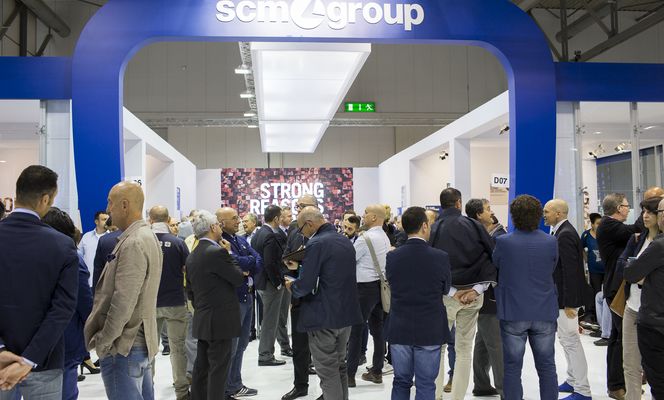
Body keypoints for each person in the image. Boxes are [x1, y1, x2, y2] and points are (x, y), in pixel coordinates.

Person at [0, 165, 78, 399]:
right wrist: (28, 359)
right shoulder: (62, 245)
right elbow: (63, 308)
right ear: (45, 199)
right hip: (45, 361)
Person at [84, 181, 163, 400]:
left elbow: (123, 301)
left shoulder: (133, 242)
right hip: (139, 344)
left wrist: (104, 341)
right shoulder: (146, 236)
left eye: (110, 202)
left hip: (124, 347)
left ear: (125, 205)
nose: (108, 209)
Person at [284, 207, 362, 400]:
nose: (302, 234)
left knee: (327, 370)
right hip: (346, 314)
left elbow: (306, 285)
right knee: (339, 365)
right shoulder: (345, 241)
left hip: (323, 316)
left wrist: (292, 286)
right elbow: (331, 272)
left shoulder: (316, 243)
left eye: (301, 229)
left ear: (309, 223)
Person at [430, 188, 497, 400]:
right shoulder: (475, 226)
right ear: (459, 203)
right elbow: (491, 256)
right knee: (464, 349)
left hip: (445, 296)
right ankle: (458, 397)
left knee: (438, 348)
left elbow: (430, 263)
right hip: (473, 295)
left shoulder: (434, 228)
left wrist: (452, 291)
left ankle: (437, 395)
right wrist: (477, 289)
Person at [493, 194, 559, 400]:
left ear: (513, 216)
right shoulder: (551, 241)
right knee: (547, 365)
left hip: (513, 310)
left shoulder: (503, 242)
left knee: (512, 367)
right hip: (544, 309)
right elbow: (553, 266)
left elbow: (497, 265)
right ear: (539, 215)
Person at [386, 206, 452, 400]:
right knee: (426, 383)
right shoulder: (440, 257)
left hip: (400, 327)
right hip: (430, 328)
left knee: (401, 381)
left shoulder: (392, 256)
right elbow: (446, 289)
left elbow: (391, 283)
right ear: (424, 226)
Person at [186, 210, 245, 400]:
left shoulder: (193, 254)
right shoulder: (218, 252)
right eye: (218, 224)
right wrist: (229, 253)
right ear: (213, 227)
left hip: (203, 318)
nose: (220, 227)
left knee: (202, 368)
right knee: (218, 370)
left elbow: (190, 290)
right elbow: (238, 278)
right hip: (220, 321)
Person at [42, 207, 94, 400]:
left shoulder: (32, 255)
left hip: (37, 341)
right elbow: (84, 302)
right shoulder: (72, 257)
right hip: (66, 338)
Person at [543, 199, 590, 400]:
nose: (544, 215)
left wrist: (570, 303)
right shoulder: (560, 232)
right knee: (565, 339)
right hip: (561, 298)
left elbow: (571, 271)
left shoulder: (565, 235)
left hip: (567, 300)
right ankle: (572, 381)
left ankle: (582, 390)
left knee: (571, 341)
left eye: (547, 211)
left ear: (559, 213)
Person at [597, 193, 640, 400]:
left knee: (617, 338)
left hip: (616, 288)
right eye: (626, 205)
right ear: (618, 208)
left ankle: (617, 385)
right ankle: (618, 384)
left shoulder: (611, 226)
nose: (628, 209)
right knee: (622, 338)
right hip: (616, 290)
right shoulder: (609, 225)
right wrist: (649, 207)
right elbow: (635, 228)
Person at [619, 196, 662, 400]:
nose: (645, 216)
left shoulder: (659, 243)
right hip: (632, 306)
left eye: (651, 212)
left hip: (654, 311)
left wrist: (642, 273)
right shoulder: (637, 239)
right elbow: (623, 265)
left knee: (655, 368)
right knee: (630, 362)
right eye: (643, 211)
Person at [216, 207, 262, 398]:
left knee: (242, 344)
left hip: (248, 296)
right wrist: (242, 261)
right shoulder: (220, 243)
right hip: (234, 299)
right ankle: (227, 387)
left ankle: (235, 384)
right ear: (221, 223)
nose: (239, 221)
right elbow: (232, 265)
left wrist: (241, 261)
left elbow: (258, 260)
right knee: (232, 347)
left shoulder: (240, 240)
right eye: (234, 218)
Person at [347, 204, 391, 387]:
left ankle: (349, 375)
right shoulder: (385, 237)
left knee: (356, 331)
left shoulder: (364, 238)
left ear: (374, 217)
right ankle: (377, 371)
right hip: (380, 288)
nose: (362, 216)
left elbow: (350, 259)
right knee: (378, 330)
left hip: (363, 289)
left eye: (365, 213)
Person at [149, 206, 191, 400]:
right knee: (178, 348)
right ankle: (181, 392)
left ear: (150, 220)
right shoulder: (178, 243)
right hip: (175, 301)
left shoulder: (143, 242)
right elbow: (188, 270)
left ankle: (147, 391)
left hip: (149, 303)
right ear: (167, 220)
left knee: (149, 350)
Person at [281, 194, 320, 400]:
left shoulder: (325, 234)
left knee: (324, 347)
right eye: (297, 206)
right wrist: (289, 274)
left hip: (320, 297)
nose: (297, 209)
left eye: (302, 206)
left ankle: (328, 389)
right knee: (299, 346)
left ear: (314, 208)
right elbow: (285, 257)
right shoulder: (294, 231)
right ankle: (300, 385)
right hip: (298, 295)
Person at [465, 199, 504, 398]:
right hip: (488, 297)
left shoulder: (493, 235)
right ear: (479, 214)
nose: (491, 212)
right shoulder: (486, 237)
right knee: (494, 344)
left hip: (485, 296)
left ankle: (482, 384)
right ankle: (504, 390)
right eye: (488, 209)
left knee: (485, 341)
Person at [251, 205, 288, 366]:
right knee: (270, 321)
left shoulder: (258, 233)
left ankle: (266, 353)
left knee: (268, 319)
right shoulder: (270, 235)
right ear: (276, 218)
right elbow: (270, 263)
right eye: (281, 217)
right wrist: (278, 283)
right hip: (269, 284)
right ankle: (265, 355)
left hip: (260, 282)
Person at [277, 206, 293, 358]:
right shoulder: (276, 233)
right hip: (282, 278)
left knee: (285, 314)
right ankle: (284, 345)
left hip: (290, 277)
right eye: (288, 216)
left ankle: (286, 344)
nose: (291, 218)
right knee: (281, 316)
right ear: (280, 218)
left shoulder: (290, 232)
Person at [78, 211, 109, 286]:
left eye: (108, 220)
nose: (107, 222)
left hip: (105, 283)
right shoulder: (86, 237)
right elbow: (78, 256)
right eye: (104, 219)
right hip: (87, 281)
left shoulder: (111, 238)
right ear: (96, 222)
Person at [91, 218, 122, 293]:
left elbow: (98, 271)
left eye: (113, 230)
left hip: (109, 288)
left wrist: (95, 293)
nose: (112, 233)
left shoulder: (105, 240)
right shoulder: (139, 236)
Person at [582, 213, 606, 297]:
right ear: (592, 224)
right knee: (596, 293)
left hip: (607, 269)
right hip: (594, 270)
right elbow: (580, 248)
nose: (600, 226)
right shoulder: (586, 235)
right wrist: (586, 259)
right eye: (598, 223)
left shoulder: (606, 234)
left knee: (607, 293)